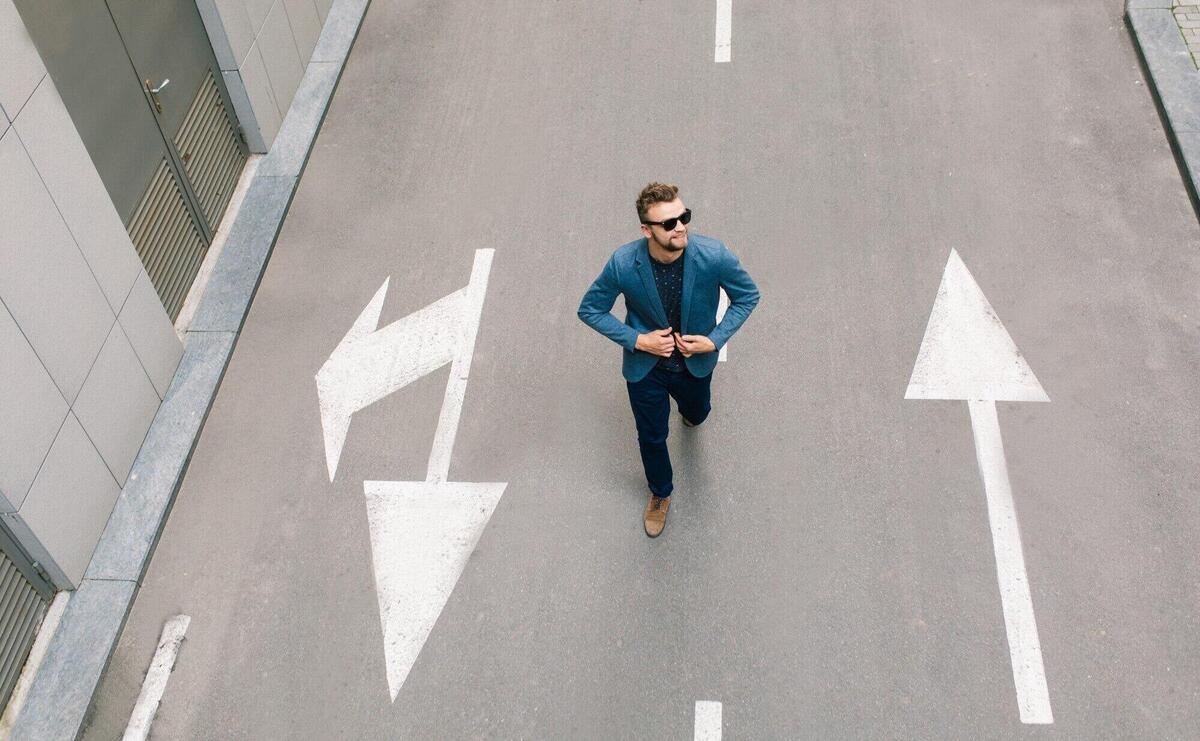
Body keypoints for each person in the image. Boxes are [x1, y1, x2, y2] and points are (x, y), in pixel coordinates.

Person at [577, 182, 760, 537]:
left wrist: (714, 340)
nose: (681, 227)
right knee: (651, 434)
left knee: (698, 413)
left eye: (684, 217)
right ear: (647, 230)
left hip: (695, 366)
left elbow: (747, 296)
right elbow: (590, 309)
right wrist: (638, 340)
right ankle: (660, 492)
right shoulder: (624, 264)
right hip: (647, 370)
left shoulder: (713, 255)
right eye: (669, 223)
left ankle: (692, 414)